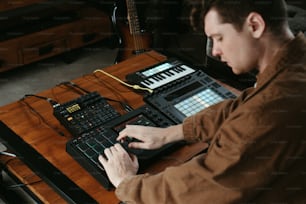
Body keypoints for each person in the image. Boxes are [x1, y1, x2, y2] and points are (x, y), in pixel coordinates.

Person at [98, 0, 306, 203]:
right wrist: (172, 133)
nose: (214, 51)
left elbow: (202, 188)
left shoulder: (269, 109)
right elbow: (243, 104)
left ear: (254, 25)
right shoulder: (295, 64)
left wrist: (126, 182)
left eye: (219, 37)